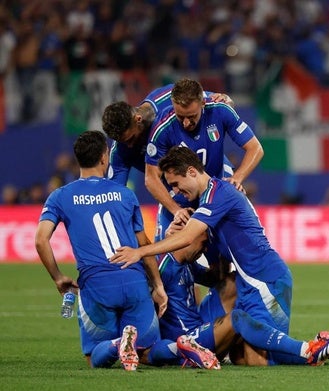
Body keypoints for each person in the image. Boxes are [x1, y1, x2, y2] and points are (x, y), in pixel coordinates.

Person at [109, 147, 329, 366]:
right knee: (245, 358)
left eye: (176, 185)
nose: (175, 192)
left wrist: (140, 251)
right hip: (249, 281)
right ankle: (321, 344)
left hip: (265, 279)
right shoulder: (211, 198)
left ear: (192, 172)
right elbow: (201, 252)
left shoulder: (218, 194)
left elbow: (189, 237)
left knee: (264, 360)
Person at [34, 131, 220, 371]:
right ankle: (179, 346)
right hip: (134, 280)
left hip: (96, 283)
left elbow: (40, 240)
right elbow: (143, 245)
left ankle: (118, 343)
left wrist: (58, 277)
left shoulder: (60, 196)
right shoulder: (125, 194)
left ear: (77, 159)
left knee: (95, 357)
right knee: (146, 351)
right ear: (104, 157)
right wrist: (158, 286)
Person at [161, 220, 329, 367]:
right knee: (248, 345)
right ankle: (314, 348)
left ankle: (320, 346)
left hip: (200, 326)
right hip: (185, 340)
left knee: (234, 284)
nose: (204, 250)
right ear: (184, 237)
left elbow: (216, 279)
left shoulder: (186, 263)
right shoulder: (160, 266)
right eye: (203, 243)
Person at [101, 83, 233, 242]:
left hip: (211, 173)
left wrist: (226, 100)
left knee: (222, 245)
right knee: (166, 252)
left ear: (138, 119)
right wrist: (176, 210)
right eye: (122, 142)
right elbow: (114, 196)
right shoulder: (120, 151)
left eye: (131, 139)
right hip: (176, 193)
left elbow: (218, 103)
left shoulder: (166, 98)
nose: (129, 146)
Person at [143, 77, 263, 239]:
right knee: (168, 256)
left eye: (191, 116)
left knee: (222, 257)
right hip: (181, 200)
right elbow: (151, 177)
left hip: (215, 194)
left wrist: (238, 178)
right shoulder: (163, 127)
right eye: (180, 116)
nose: (186, 123)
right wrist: (175, 209)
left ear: (203, 104)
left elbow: (255, 148)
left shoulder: (220, 110)